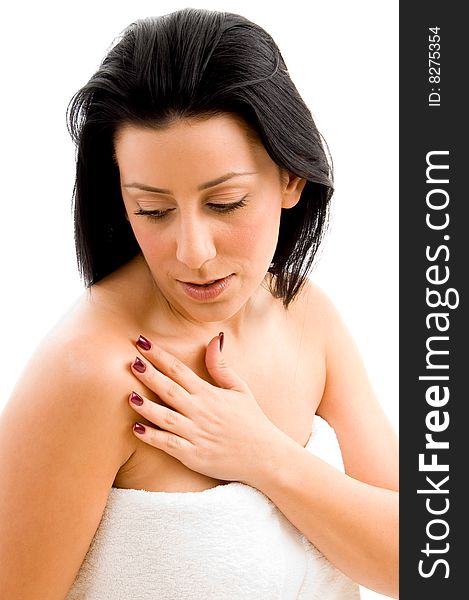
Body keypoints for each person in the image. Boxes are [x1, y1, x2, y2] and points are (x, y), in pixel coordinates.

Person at [0, 7, 398, 599]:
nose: (192, 252)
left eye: (227, 202)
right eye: (153, 210)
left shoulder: (306, 313)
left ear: (291, 178)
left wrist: (263, 454)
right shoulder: (93, 374)